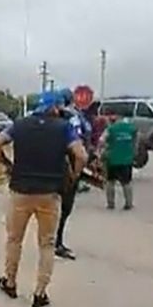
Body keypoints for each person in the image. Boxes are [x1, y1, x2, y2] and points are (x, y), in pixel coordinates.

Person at [0, 91, 87, 307]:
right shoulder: (64, 128)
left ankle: (10, 282)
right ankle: (40, 293)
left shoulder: (20, 125)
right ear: (54, 107)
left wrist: (6, 164)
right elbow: (81, 156)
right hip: (49, 194)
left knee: (14, 239)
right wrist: (73, 174)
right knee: (47, 243)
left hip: (20, 191)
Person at [55, 88, 90, 260]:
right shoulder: (74, 117)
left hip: (49, 165)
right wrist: (77, 173)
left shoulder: (47, 116)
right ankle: (57, 241)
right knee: (65, 207)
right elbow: (85, 137)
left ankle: (50, 240)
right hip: (69, 164)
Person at [99, 108, 138, 210]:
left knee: (110, 181)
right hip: (127, 159)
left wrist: (105, 148)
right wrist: (134, 151)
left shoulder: (111, 129)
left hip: (112, 159)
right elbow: (136, 141)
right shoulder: (131, 128)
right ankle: (129, 203)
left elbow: (102, 141)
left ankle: (111, 204)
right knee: (126, 182)